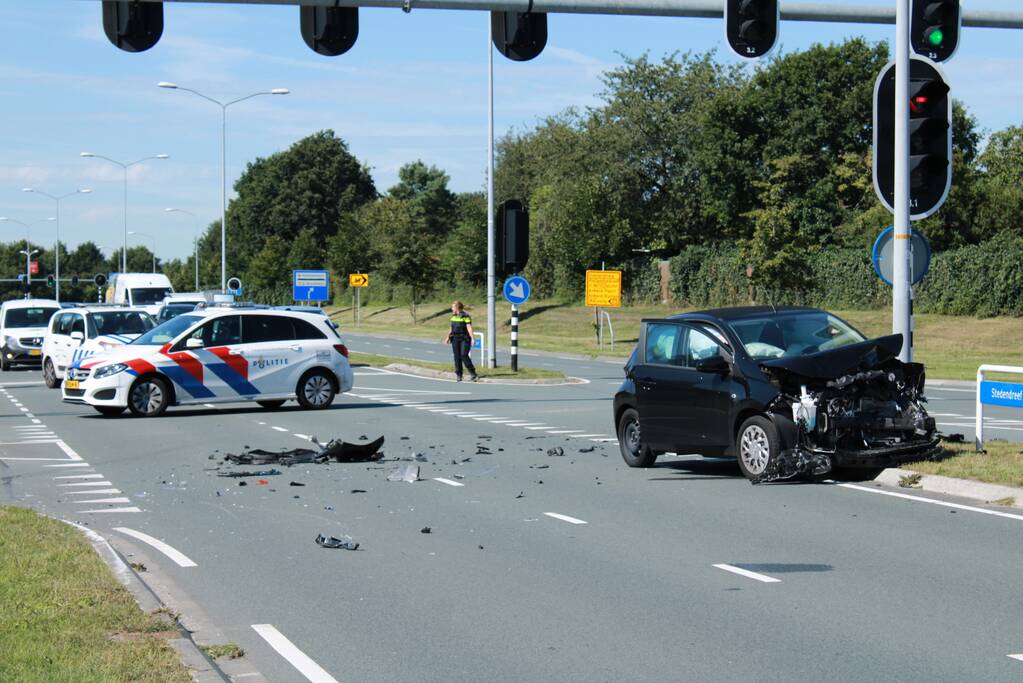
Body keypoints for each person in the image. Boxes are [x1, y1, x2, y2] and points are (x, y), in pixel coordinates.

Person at [444, 301, 478, 382]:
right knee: (457, 357)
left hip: (464, 338)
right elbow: (451, 328)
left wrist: (473, 338)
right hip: (455, 338)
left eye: (453, 307)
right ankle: (459, 374)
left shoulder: (465, 316)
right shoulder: (453, 316)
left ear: (457, 308)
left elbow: (469, 327)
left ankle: (473, 373)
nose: (451, 308)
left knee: (464, 355)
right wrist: (447, 337)